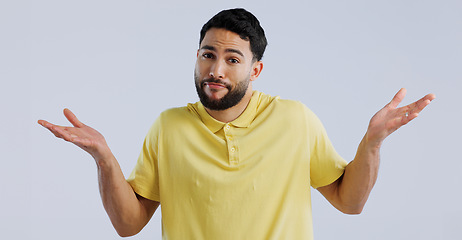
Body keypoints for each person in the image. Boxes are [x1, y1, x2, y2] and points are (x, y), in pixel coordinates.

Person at [38, 8, 435, 240]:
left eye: (232, 59)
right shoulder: (168, 127)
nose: (215, 69)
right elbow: (129, 225)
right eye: (207, 55)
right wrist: (105, 158)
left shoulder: (295, 119)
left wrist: (373, 142)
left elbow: (350, 203)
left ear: (255, 69)